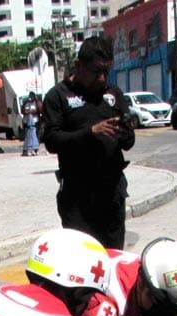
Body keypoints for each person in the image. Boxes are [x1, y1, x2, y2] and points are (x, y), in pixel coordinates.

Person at [42, 36, 135, 249]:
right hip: (77, 198)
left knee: (113, 257)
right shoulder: (58, 96)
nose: (102, 78)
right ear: (78, 66)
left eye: (106, 72)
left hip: (111, 193)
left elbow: (129, 143)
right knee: (82, 260)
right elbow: (52, 141)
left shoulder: (113, 93)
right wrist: (90, 133)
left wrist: (125, 134)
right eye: (96, 71)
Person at [21, 91, 41, 157]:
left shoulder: (37, 103)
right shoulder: (26, 103)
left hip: (35, 121)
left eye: (32, 96)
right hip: (27, 121)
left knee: (35, 136)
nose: (31, 97)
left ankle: (36, 149)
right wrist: (26, 112)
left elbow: (40, 110)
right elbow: (22, 110)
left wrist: (34, 112)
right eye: (30, 96)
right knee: (27, 136)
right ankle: (27, 150)